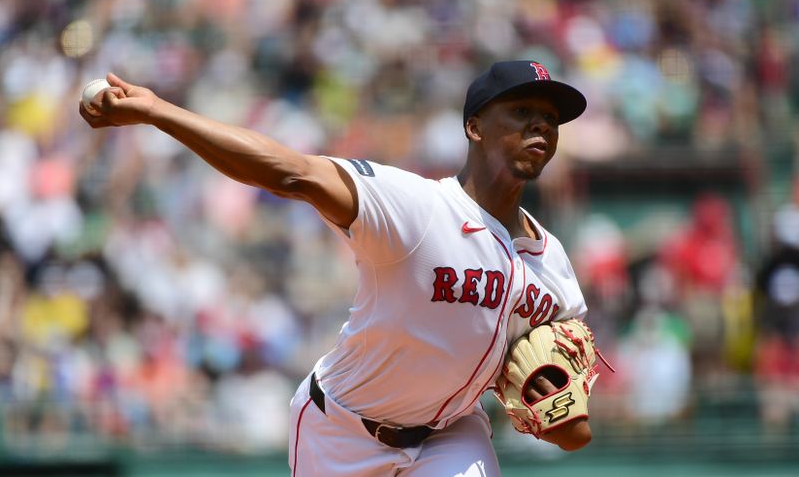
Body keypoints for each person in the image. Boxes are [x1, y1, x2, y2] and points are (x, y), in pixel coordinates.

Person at [79, 60, 592, 476]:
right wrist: (157, 112)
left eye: (551, 118)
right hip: (343, 430)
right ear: (474, 127)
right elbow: (292, 173)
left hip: (452, 435)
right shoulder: (417, 208)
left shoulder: (553, 264)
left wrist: (562, 412)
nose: (541, 125)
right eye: (523, 110)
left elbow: (572, 429)